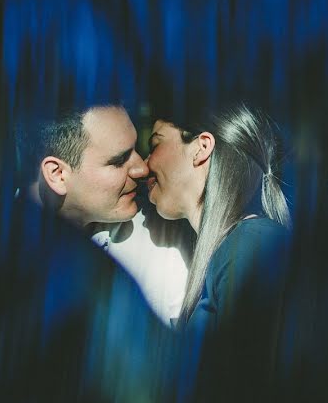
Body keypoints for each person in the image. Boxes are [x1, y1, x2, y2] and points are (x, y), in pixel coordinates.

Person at [18, 103, 189, 324]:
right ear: (58, 174)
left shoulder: (163, 241)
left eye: (137, 149)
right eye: (119, 161)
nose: (142, 168)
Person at [145, 103, 293, 330]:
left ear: (201, 147)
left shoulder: (251, 244)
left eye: (155, 144)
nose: (145, 164)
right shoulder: (235, 248)